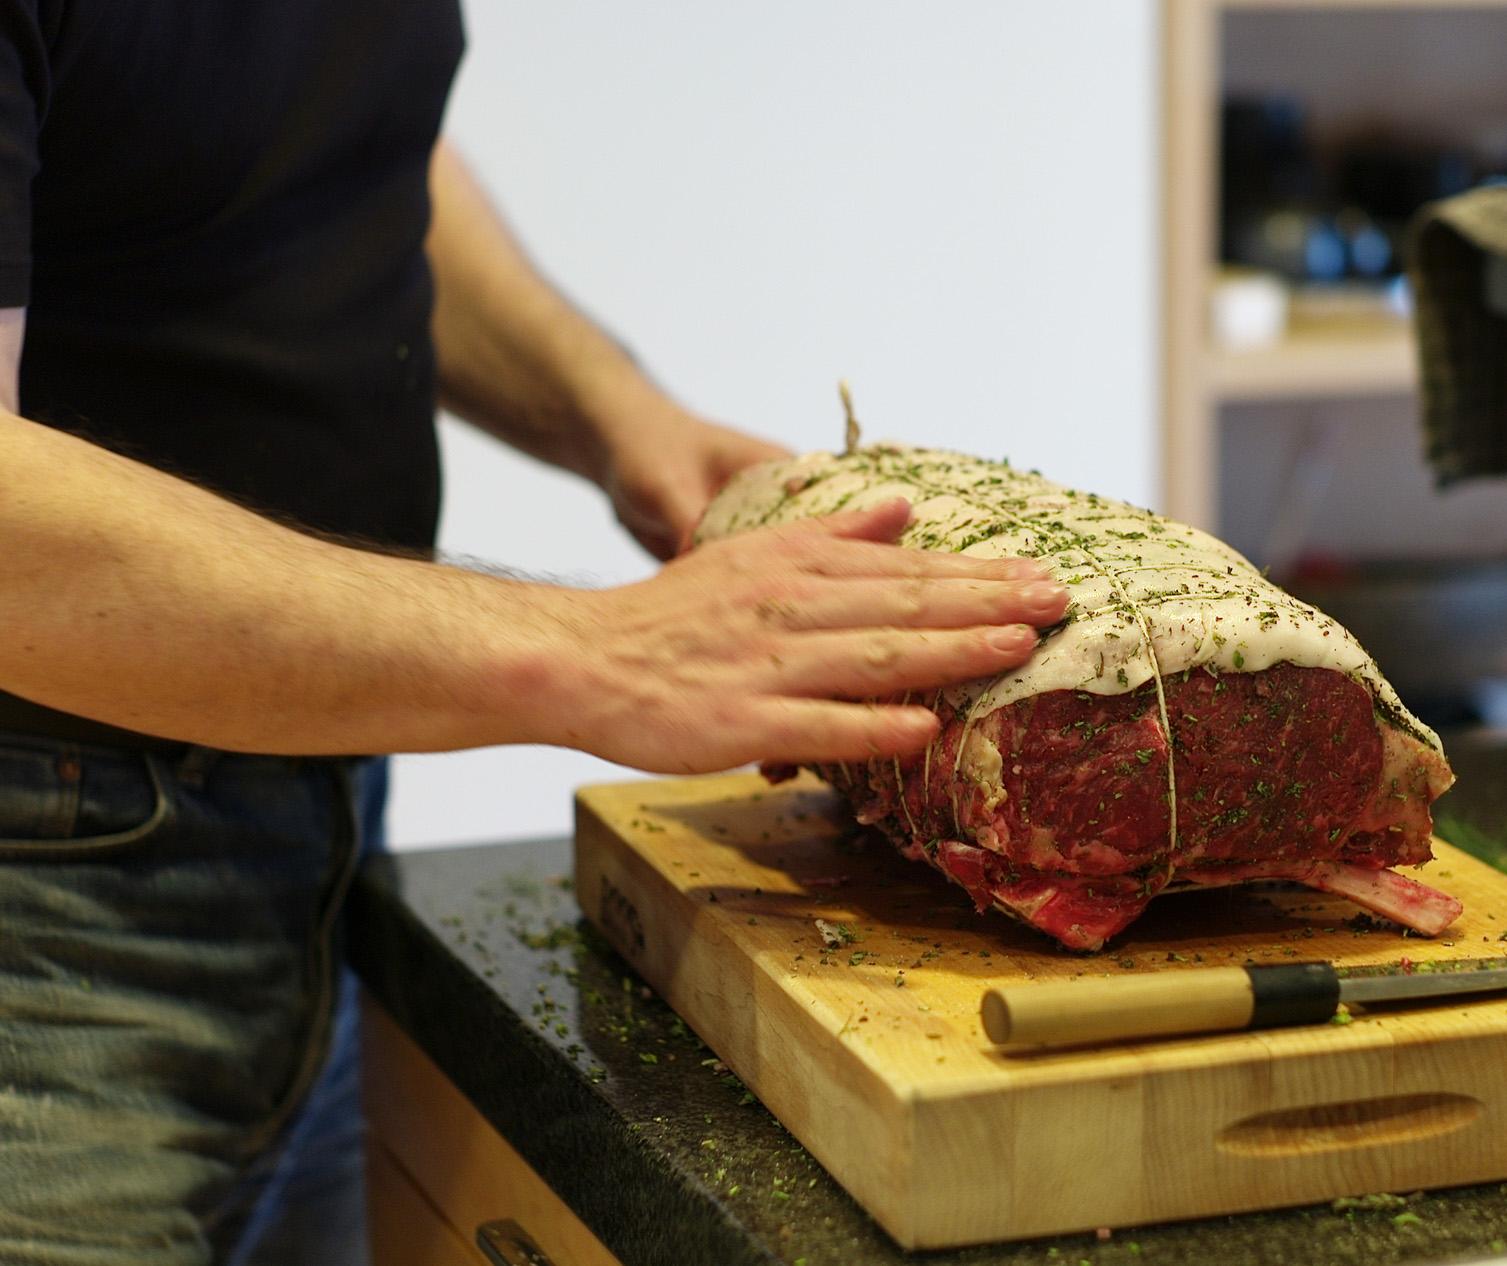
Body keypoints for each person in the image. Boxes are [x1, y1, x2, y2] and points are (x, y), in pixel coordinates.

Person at [0, 2, 1070, 1263]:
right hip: (47, 900)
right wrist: (592, 654)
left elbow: (320, 161)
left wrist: (614, 415)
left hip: (323, 835)